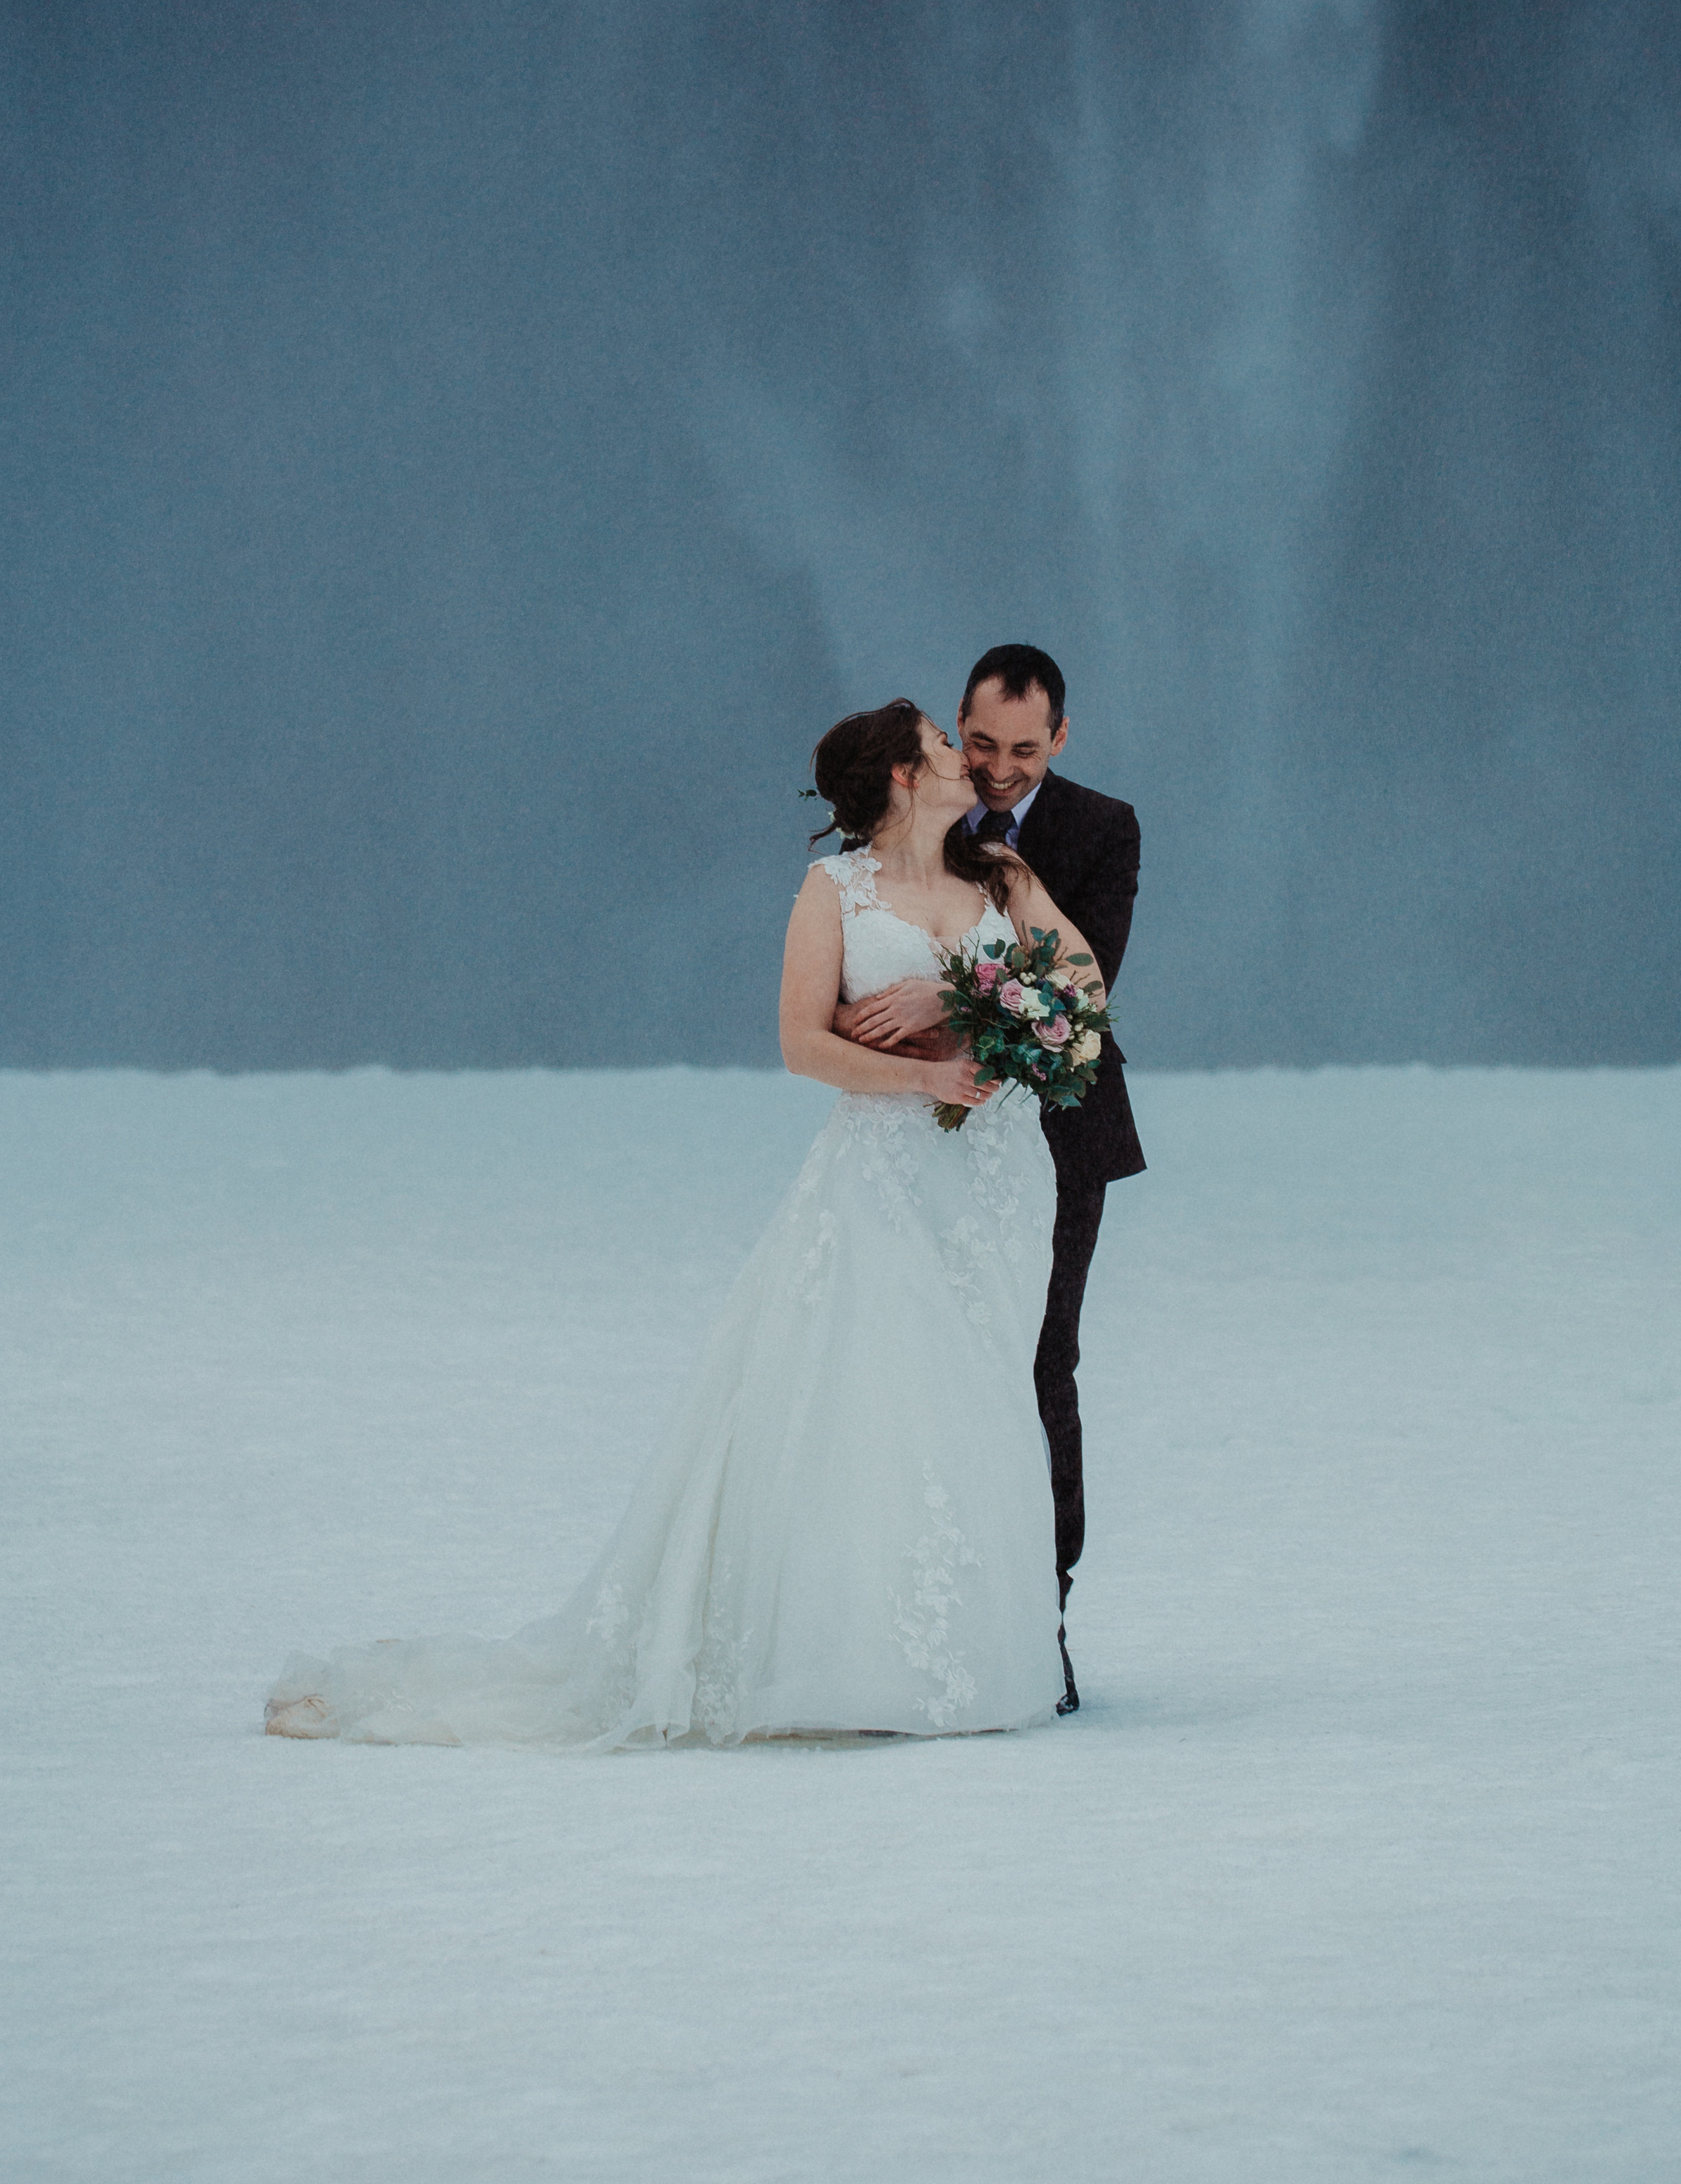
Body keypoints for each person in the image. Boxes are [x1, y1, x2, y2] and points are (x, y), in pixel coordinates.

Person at [264, 699, 1100, 1748]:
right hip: (885, 1174)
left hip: (996, 1183)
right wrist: (918, 1072)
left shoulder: (1001, 878)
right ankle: (859, 1659)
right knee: (881, 1388)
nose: (964, 757)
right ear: (897, 775)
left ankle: (975, 1655)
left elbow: (1079, 992)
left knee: (977, 1390)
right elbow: (802, 1044)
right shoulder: (834, 890)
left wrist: (968, 1008)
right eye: (943, 743)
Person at [834, 646, 1142, 1710]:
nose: (1000, 769)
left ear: (1059, 740)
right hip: (919, 1141)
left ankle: (1039, 1619)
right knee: (917, 1373)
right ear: (955, 732)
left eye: (1023, 749)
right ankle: (908, 1620)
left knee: (1039, 1368)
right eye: (981, 745)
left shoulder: (1103, 829)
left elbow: (1083, 985)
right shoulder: (923, 813)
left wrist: (947, 999)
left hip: (1055, 1139)